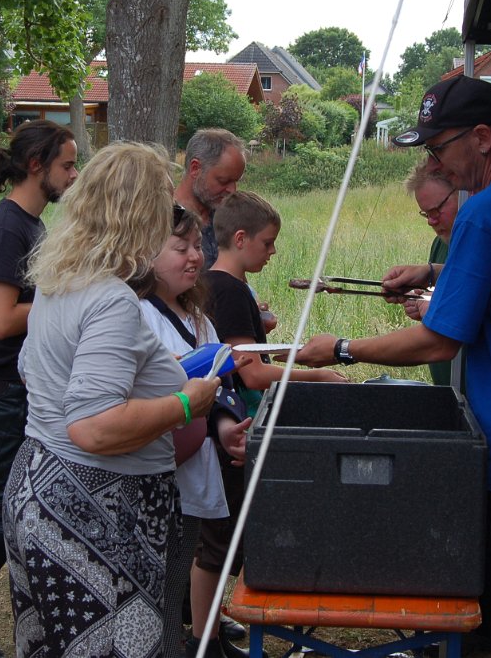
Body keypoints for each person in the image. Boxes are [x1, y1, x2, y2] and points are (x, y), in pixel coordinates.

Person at [296, 76, 491, 657]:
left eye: (440, 149)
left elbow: (439, 341)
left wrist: (341, 349)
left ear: (482, 138)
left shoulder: (484, 215)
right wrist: (434, 272)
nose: (437, 161)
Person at [2, 142, 222, 658]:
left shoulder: (60, 281)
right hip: (95, 508)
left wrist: (157, 372)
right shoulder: (112, 299)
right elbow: (95, 426)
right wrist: (187, 402)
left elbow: (38, 374)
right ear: (139, 215)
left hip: (40, 485)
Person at [193, 191, 348, 657]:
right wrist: (315, 374)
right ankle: (206, 640)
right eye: (268, 242)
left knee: (226, 542)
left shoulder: (220, 285)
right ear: (240, 239)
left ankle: (210, 634)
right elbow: (252, 373)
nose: (273, 251)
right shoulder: (230, 290)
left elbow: (250, 354)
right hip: (233, 428)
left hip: (231, 425)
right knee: (220, 544)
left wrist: (294, 352)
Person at [0, 120, 78, 658]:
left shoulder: (32, 225)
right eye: (68, 165)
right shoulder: (7, 229)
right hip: (1, 394)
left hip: (23, 391)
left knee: (22, 514)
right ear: (36, 166)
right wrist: (67, 302)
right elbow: (0, 321)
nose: (74, 176)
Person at [133, 208, 250, 658]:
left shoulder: (200, 315)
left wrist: (224, 429)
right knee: (154, 586)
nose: (194, 257)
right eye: (179, 248)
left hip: (193, 469)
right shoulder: (138, 314)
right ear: (145, 255)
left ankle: (191, 644)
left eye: (198, 247)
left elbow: (220, 389)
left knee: (180, 567)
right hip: (154, 474)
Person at [401, 160, 460, 386]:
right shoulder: (440, 244)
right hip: (446, 383)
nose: (432, 221)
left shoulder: (481, 243)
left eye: (437, 210)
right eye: (426, 214)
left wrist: (344, 349)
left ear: (464, 193)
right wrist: (420, 299)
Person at [173, 129, 246, 271]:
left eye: (236, 181)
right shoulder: (166, 220)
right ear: (195, 168)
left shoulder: (226, 217)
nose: (232, 190)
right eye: (223, 180)